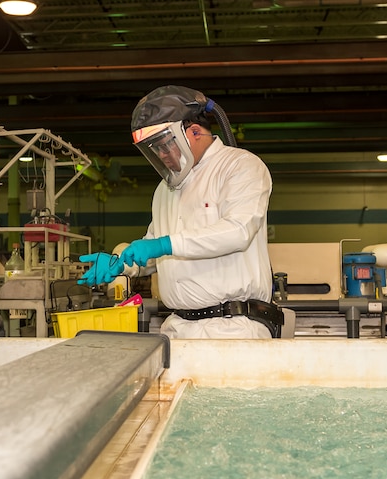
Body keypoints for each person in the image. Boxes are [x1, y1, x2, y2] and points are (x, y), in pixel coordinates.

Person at [78, 85, 282, 339]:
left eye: (164, 145)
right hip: (178, 328)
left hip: (232, 328)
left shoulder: (240, 166)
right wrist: (121, 264)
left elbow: (238, 231)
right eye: (154, 149)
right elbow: (153, 250)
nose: (162, 156)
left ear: (194, 131)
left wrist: (163, 245)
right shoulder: (165, 189)